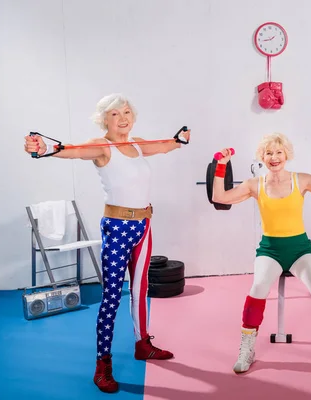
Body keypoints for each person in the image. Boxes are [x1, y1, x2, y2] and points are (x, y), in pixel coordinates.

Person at [23, 93, 190, 393]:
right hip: (117, 228)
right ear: (105, 120)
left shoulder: (137, 144)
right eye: (115, 114)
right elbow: (71, 151)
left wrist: (180, 140)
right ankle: (103, 364)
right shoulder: (103, 147)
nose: (123, 118)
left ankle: (143, 344)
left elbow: (163, 145)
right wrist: (44, 148)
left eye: (126, 112)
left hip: (144, 226)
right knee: (111, 297)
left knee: (141, 291)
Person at [211, 132, 311, 373]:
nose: (274, 157)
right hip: (270, 250)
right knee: (257, 290)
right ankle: (247, 349)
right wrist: (220, 167)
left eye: (278, 152)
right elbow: (219, 196)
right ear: (262, 157)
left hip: (299, 249)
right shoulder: (255, 185)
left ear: (286, 155)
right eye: (268, 153)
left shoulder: (301, 180)